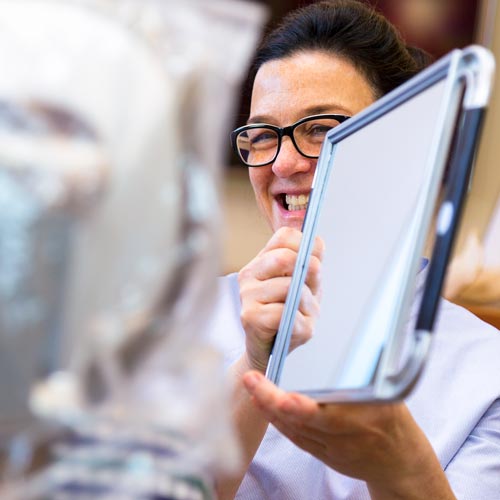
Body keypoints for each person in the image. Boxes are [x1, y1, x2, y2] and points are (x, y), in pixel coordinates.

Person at [210, 1, 500, 499]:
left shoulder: (484, 373)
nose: (282, 163)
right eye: (261, 135)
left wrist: (395, 457)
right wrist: (254, 368)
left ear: (409, 148)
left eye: (321, 129)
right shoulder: (182, 324)